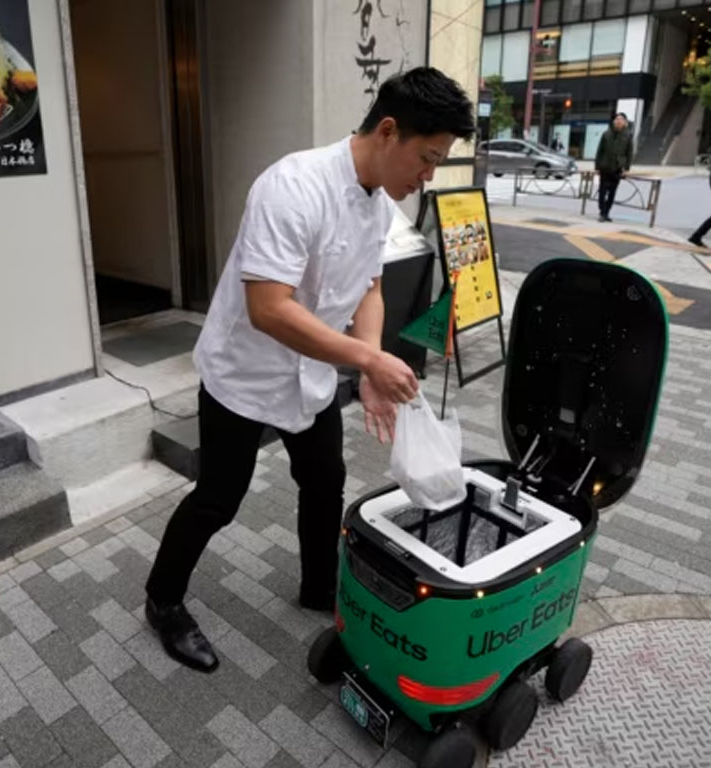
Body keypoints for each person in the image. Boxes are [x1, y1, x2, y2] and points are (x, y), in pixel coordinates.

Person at [142, 67, 476, 673]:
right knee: (220, 497)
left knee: (324, 484)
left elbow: (370, 288)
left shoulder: (379, 203)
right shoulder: (292, 186)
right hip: (244, 375)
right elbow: (269, 309)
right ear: (388, 130)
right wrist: (368, 359)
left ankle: (320, 588)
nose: (427, 176)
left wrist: (370, 363)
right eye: (426, 159)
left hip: (314, 377)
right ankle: (162, 601)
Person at [595, 112, 633, 222]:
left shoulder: (628, 135)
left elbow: (629, 153)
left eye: (621, 119)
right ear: (613, 121)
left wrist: (626, 168)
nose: (619, 121)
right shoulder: (606, 134)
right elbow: (600, 151)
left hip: (617, 168)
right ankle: (602, 212)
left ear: (625, 123)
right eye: (617, 119)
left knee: (612, 192)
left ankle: (606, 213)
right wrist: (597, 166)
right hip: (605, 167)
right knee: (602, 192)